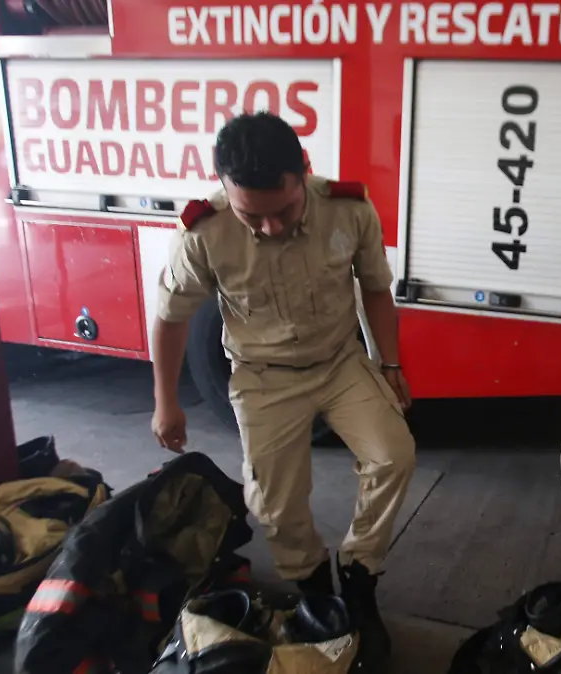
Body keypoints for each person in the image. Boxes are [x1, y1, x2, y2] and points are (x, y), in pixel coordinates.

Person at [149, 112, 415, 670]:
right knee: (273, 503)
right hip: (263, 377)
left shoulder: (348, 208)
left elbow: (375, 289)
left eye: (285, 211)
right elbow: (170, 317)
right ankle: (317, 591)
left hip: (341, 363)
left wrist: (388, 363)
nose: (270, 228)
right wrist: (166, 401)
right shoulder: (204, 230)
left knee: (394, 455)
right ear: (225, 189)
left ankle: (360, 580)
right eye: (253, 215)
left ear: (305, 174)